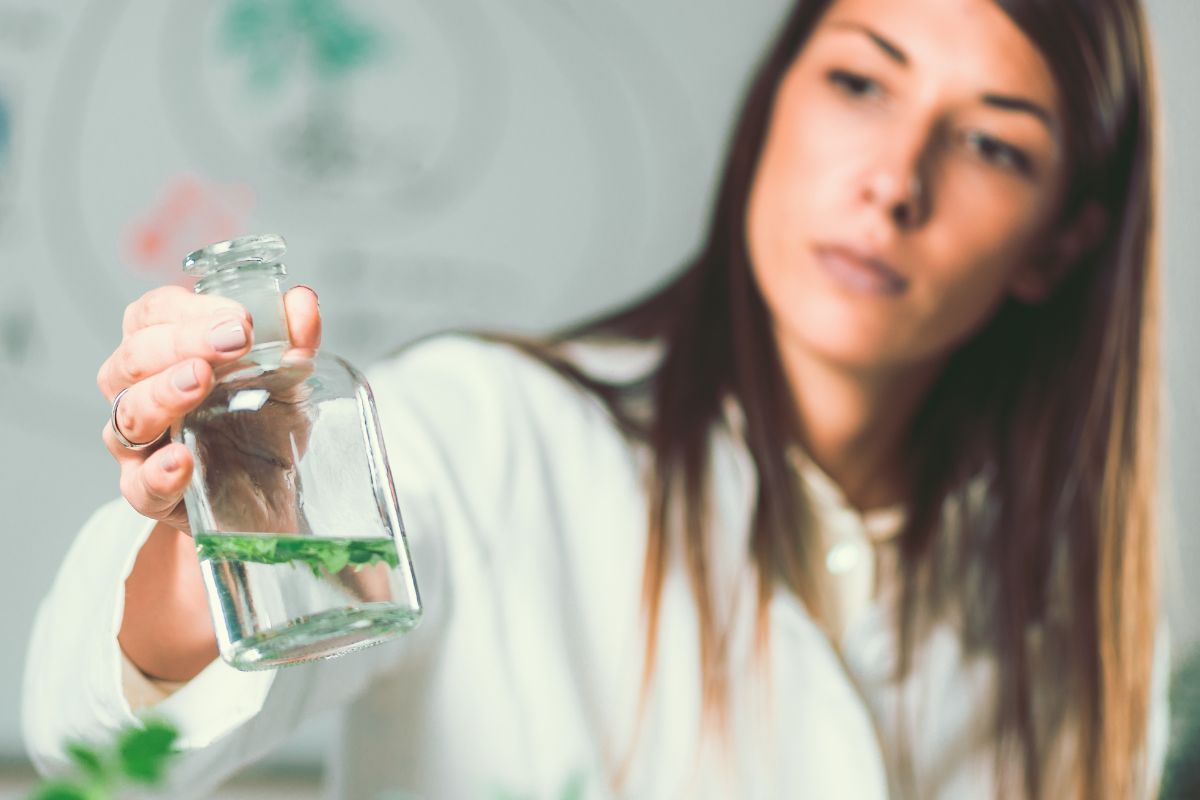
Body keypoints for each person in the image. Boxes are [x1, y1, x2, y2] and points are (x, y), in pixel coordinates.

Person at [22, 0, 1169, 797]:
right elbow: (102, 738)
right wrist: (226, 513)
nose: (894, 180)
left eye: (992, 145)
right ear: (772, 104)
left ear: (1059, 244)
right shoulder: (492, 438)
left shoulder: (1082, 614)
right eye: (860, 81)